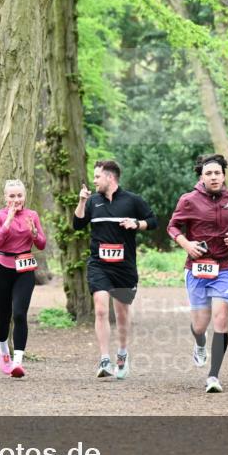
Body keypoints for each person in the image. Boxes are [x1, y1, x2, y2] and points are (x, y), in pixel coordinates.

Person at [168, 154, 228, 393]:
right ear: (202, 177)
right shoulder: (188, 201)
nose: (214, 177)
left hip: (225, 267)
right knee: (200, 325)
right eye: (209, 173)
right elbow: (173, 226)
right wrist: (186, 244)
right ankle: (199, 343)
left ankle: (213, 376)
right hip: (197, 268)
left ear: (224, 175)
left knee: (221, 319)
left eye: (217, 172)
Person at [73, 160, 157, 381]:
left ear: (110, 178)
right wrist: (82, 202)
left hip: (124, 267)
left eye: (97, 177)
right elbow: (77, 224)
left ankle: (122, 354)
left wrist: (137, 224)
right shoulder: (92, 201)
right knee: (101, 310)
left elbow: (154, 221)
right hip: (98, 264)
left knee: (121, 314)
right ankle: (104, 359)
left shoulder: (132, 200)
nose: (94, 181)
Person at [0, 179, 47, 378]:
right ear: (5, 197)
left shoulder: (32, 215)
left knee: (20, 314)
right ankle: (3, 349)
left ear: (25, 196)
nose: (16, 199)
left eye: (19, 195)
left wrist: (34, 233)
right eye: (12, 196)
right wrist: (8, 222)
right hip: (1, 270)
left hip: (24, 270)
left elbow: (42, 244)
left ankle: (17, 362)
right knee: (4, 316)